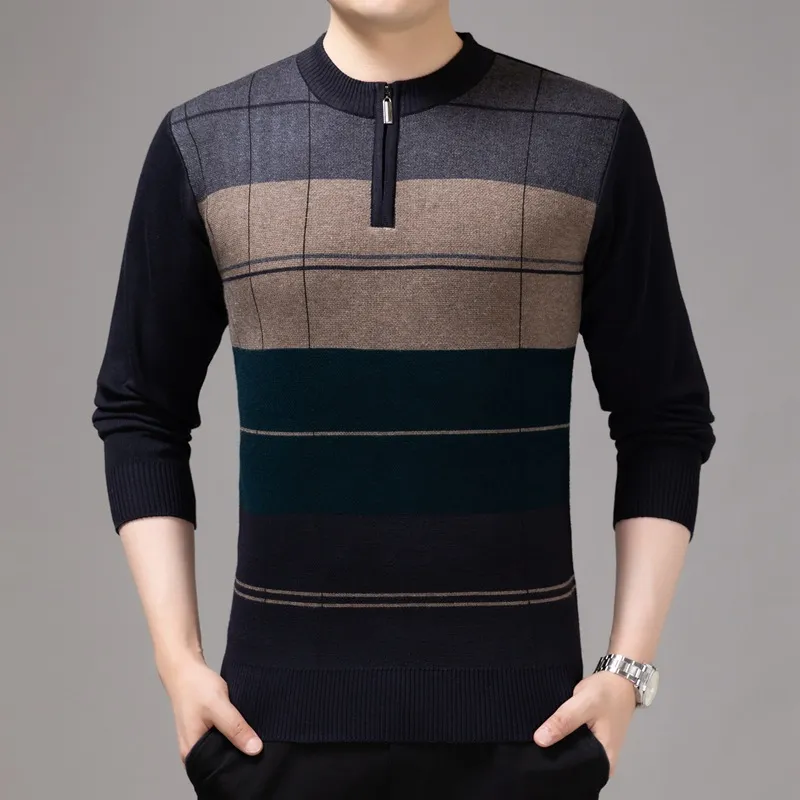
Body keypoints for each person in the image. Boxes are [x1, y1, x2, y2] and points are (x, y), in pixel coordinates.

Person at [90, 1, 716, 797]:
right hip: (269, 741)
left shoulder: (587, 136)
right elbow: (140, 409)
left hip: (527, 741)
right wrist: (177, 665)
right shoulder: (207, 140)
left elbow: (663, 418)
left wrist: (628, 671)